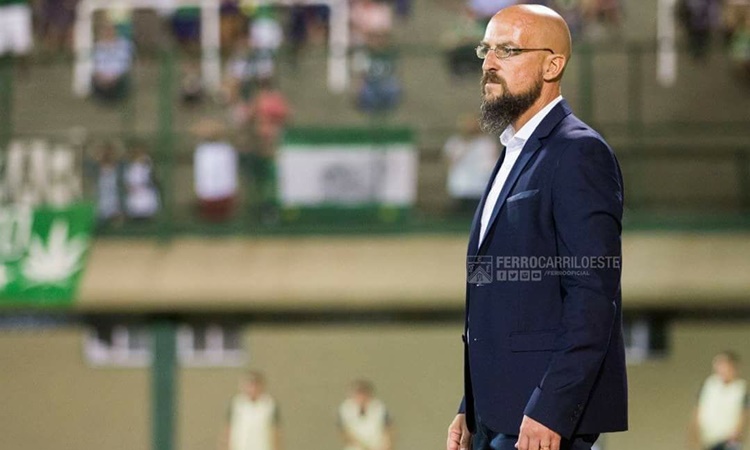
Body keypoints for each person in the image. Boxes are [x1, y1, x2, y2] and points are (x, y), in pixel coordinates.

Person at [445, 5, 628, 450]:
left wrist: (552, 407)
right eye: (486, 50)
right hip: (494, 416)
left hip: (540, 423)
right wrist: (472, 404)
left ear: (553, 65)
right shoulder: (512, 151)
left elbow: (592, 295)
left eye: (507, 50)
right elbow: (506, 304)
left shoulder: (578, 152)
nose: (489, 63)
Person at [688, 351, 749, 450]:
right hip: (708, 438)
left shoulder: (740, 389)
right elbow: (698, 410)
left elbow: (744, 414)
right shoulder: (709, 385)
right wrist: (694, 433)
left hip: (729, 440)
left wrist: (737, 434)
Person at [443, 114, 500, 215]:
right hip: (460, 186)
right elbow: (448, 161)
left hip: (480, 187)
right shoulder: (455, 142)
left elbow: (492, 162)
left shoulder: (486, 143)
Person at [222, 371, 282, 450]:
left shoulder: (269, 404)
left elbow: (275, 430)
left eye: (256, 385)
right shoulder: (237, 403)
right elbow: (228, 429)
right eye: (250, 385)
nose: (253, 388)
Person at [338, 379, 394, 450]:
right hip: (356, 447)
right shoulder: (345, 409)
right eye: (358, 394)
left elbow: (389, 428)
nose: (361, 397)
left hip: (378, 445)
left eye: (364, 394)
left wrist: (388, 444)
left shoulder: (379, 407)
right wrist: (362, 446)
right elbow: (344, 432)